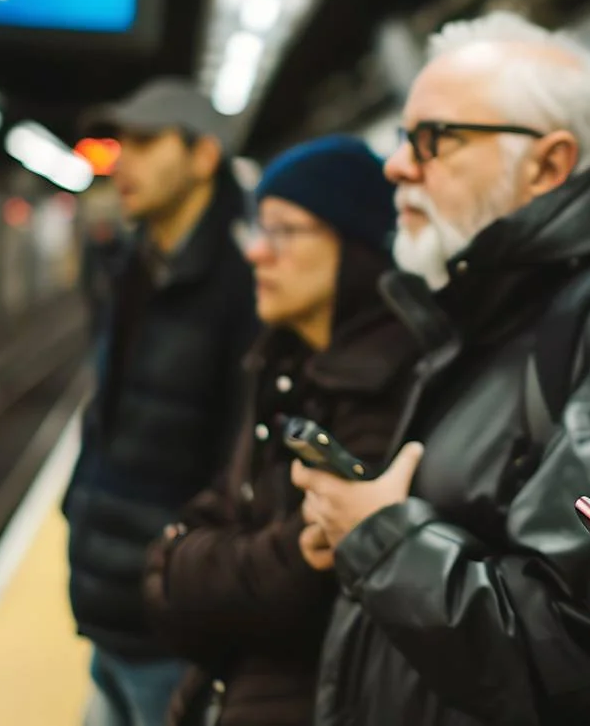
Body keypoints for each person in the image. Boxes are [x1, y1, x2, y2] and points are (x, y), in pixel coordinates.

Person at [290, 11, 590, 726]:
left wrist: (380, 537)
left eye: (433, 139)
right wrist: (364, 535)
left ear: (548, 163)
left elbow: (573, 644)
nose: (397, 165)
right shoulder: (492, 312)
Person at [141, 136, 417, 726]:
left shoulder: (388, 390)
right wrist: (197, 564)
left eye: (284, 232)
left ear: (357, 247)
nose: (258, 254)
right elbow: (205, 540)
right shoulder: (283, 367)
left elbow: (299, 598)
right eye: (258, 232)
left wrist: (189, 567)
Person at [63, 76, 259, 726]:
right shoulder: (135, 268)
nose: (124, 160)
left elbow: (240, 471)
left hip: (174, 628)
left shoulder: (246, 286)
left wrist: (184, 582)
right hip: (110, 606)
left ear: (204, 157)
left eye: (146, 142)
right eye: (121, 142)